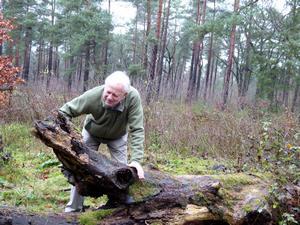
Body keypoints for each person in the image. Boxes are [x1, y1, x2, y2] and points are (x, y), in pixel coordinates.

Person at [59, 71, 145, 213]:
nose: (109, 97)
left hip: (118, 136)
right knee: (80, 170)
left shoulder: (133, 98)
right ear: (104, 87)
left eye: (115, 95)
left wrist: (136, 160)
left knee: (123, 173)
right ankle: (73, 209)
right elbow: (65, 111)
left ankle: (116, 206)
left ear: (125, 95)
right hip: (92, 133)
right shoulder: (93, 95)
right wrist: (63, 136)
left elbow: (137, 129)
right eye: (108, 92)